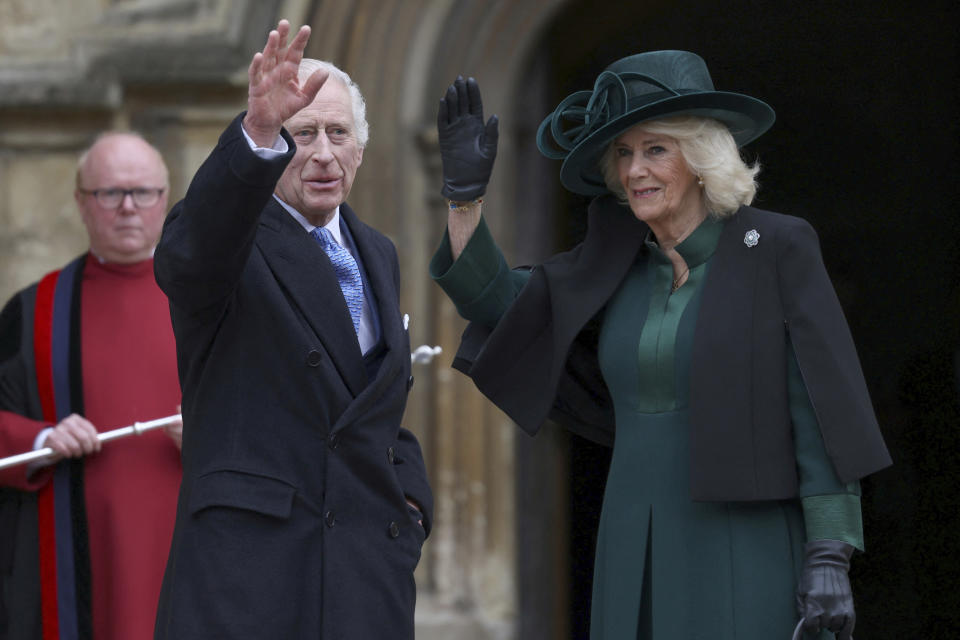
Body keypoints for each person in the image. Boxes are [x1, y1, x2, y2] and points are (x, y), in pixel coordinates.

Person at [430, 52, 892, 639]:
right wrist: (464, 198)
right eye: (622, 153)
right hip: (632, 537)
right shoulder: (613, 263)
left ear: (700, 159)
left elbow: (820, 398)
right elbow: (494, 300)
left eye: (655, 149)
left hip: (743, 540)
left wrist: (830, 551)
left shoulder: (775, 246)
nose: (634, 171)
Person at [152, 20, 433, 639]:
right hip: (256, 577)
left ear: (362, 147)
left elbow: (370, 406)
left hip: (363, 575)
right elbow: (189, 255)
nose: (324, 153)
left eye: (339, 133)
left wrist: (411, 500)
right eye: (303, 134)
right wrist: (255, 132)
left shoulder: (377, 251)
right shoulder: (234, 239)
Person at [0, 132, 183, 639]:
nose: (127, 208)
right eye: (109, 193)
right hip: (74, 560)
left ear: (165, 199)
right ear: (82, 202)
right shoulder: (34, 311)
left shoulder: (213, 306)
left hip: (193, 548)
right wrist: (40, 440)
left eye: (142, 192)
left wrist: (219, 436)